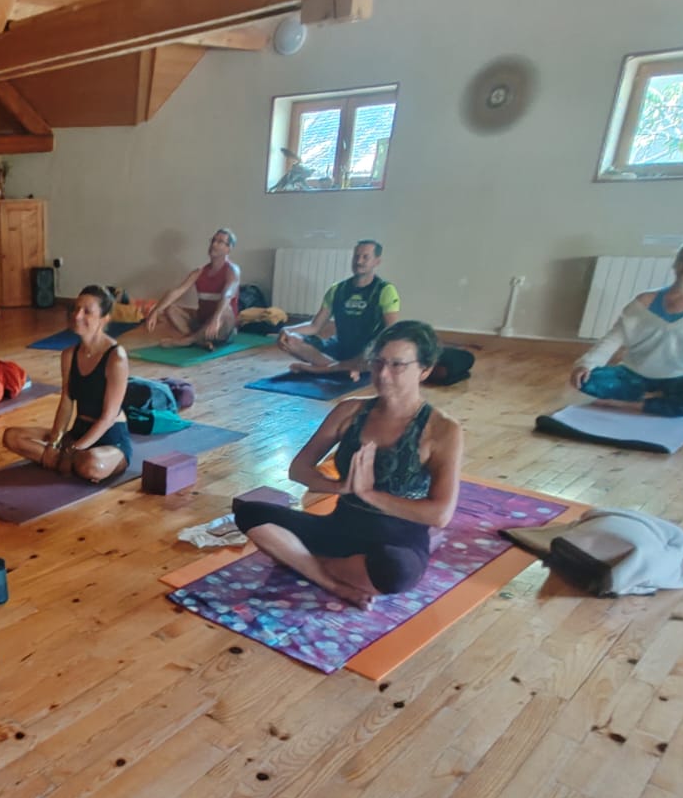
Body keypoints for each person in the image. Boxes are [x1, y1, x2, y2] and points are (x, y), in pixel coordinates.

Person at [235, 321, 462, 607]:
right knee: (249, 512)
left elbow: (440, 515)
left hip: (395, 542)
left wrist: (369, 494)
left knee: (394, 571)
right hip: (340, 528)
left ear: (424, 370)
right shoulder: (350, 410)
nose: (383, 374)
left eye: (397, 365)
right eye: (378, 362)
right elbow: (299, 469)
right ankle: (332, 581)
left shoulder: (442, 429)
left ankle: (306, 561)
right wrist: (340, 487)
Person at [569, 237, 683, 415]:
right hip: (635, 373)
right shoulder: (644, 300)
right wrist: (587, 364)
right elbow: (614, 337)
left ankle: (630, 404)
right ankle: (657, 400)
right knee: (586, 380)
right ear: (675, 263)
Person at [3, 285, 133, 483]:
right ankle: (66, 462)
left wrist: (74, 449)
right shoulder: (69, 354)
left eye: (87, 311)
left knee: (92, 464)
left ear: (104, 318)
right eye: (76, 309)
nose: (77, 315)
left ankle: (67, 462)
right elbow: (66, 400)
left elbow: (108, 418)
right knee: (12, 437)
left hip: (109, 438)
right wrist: (54, 443)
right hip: (78, 431)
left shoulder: (116, 357)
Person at [277, 239, 401, 375]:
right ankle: (338, 370)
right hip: (340, 346)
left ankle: (324, 368)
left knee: (373, 355)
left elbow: (391, 331)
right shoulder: (337, 289)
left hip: (365, 352)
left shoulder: (385, 290)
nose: (359, 261)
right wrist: (287, 330)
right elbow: (315, 326)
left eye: (365, 257)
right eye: (356, 256)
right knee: (289, 340)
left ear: (377, 261)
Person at [146, 228, 242, 349]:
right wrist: (155, 311)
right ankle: (198, 339)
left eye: (220, 242)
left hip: (222, 325)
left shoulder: (232, 270)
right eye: (213, 240)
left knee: (226, 311)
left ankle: (188, 341)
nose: (214, 244)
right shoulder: (199, 271)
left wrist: (216, 319)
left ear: (229, 248)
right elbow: (177, 291)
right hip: (202, 322)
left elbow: (227, 294)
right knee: (170, 308)